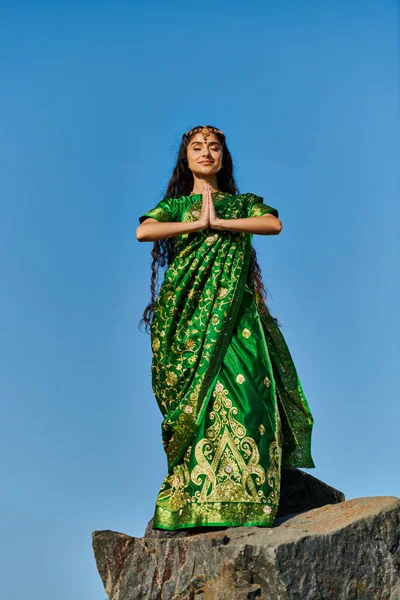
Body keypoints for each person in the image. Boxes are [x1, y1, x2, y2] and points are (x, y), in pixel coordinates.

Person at [136, 125, 315, 531]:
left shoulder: (241, 205)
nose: (206, 153)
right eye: (197, 147)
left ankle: (249, 496)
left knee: (250, 393)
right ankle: (196, 498)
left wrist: (222, 222)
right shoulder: (178, 207)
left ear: (223, 157)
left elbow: (273, 224)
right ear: (186, 158)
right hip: (187, 317)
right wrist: (197, 224)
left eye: (213, 147)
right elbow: (143, 230)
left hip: (236, 313)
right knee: (201, 402)